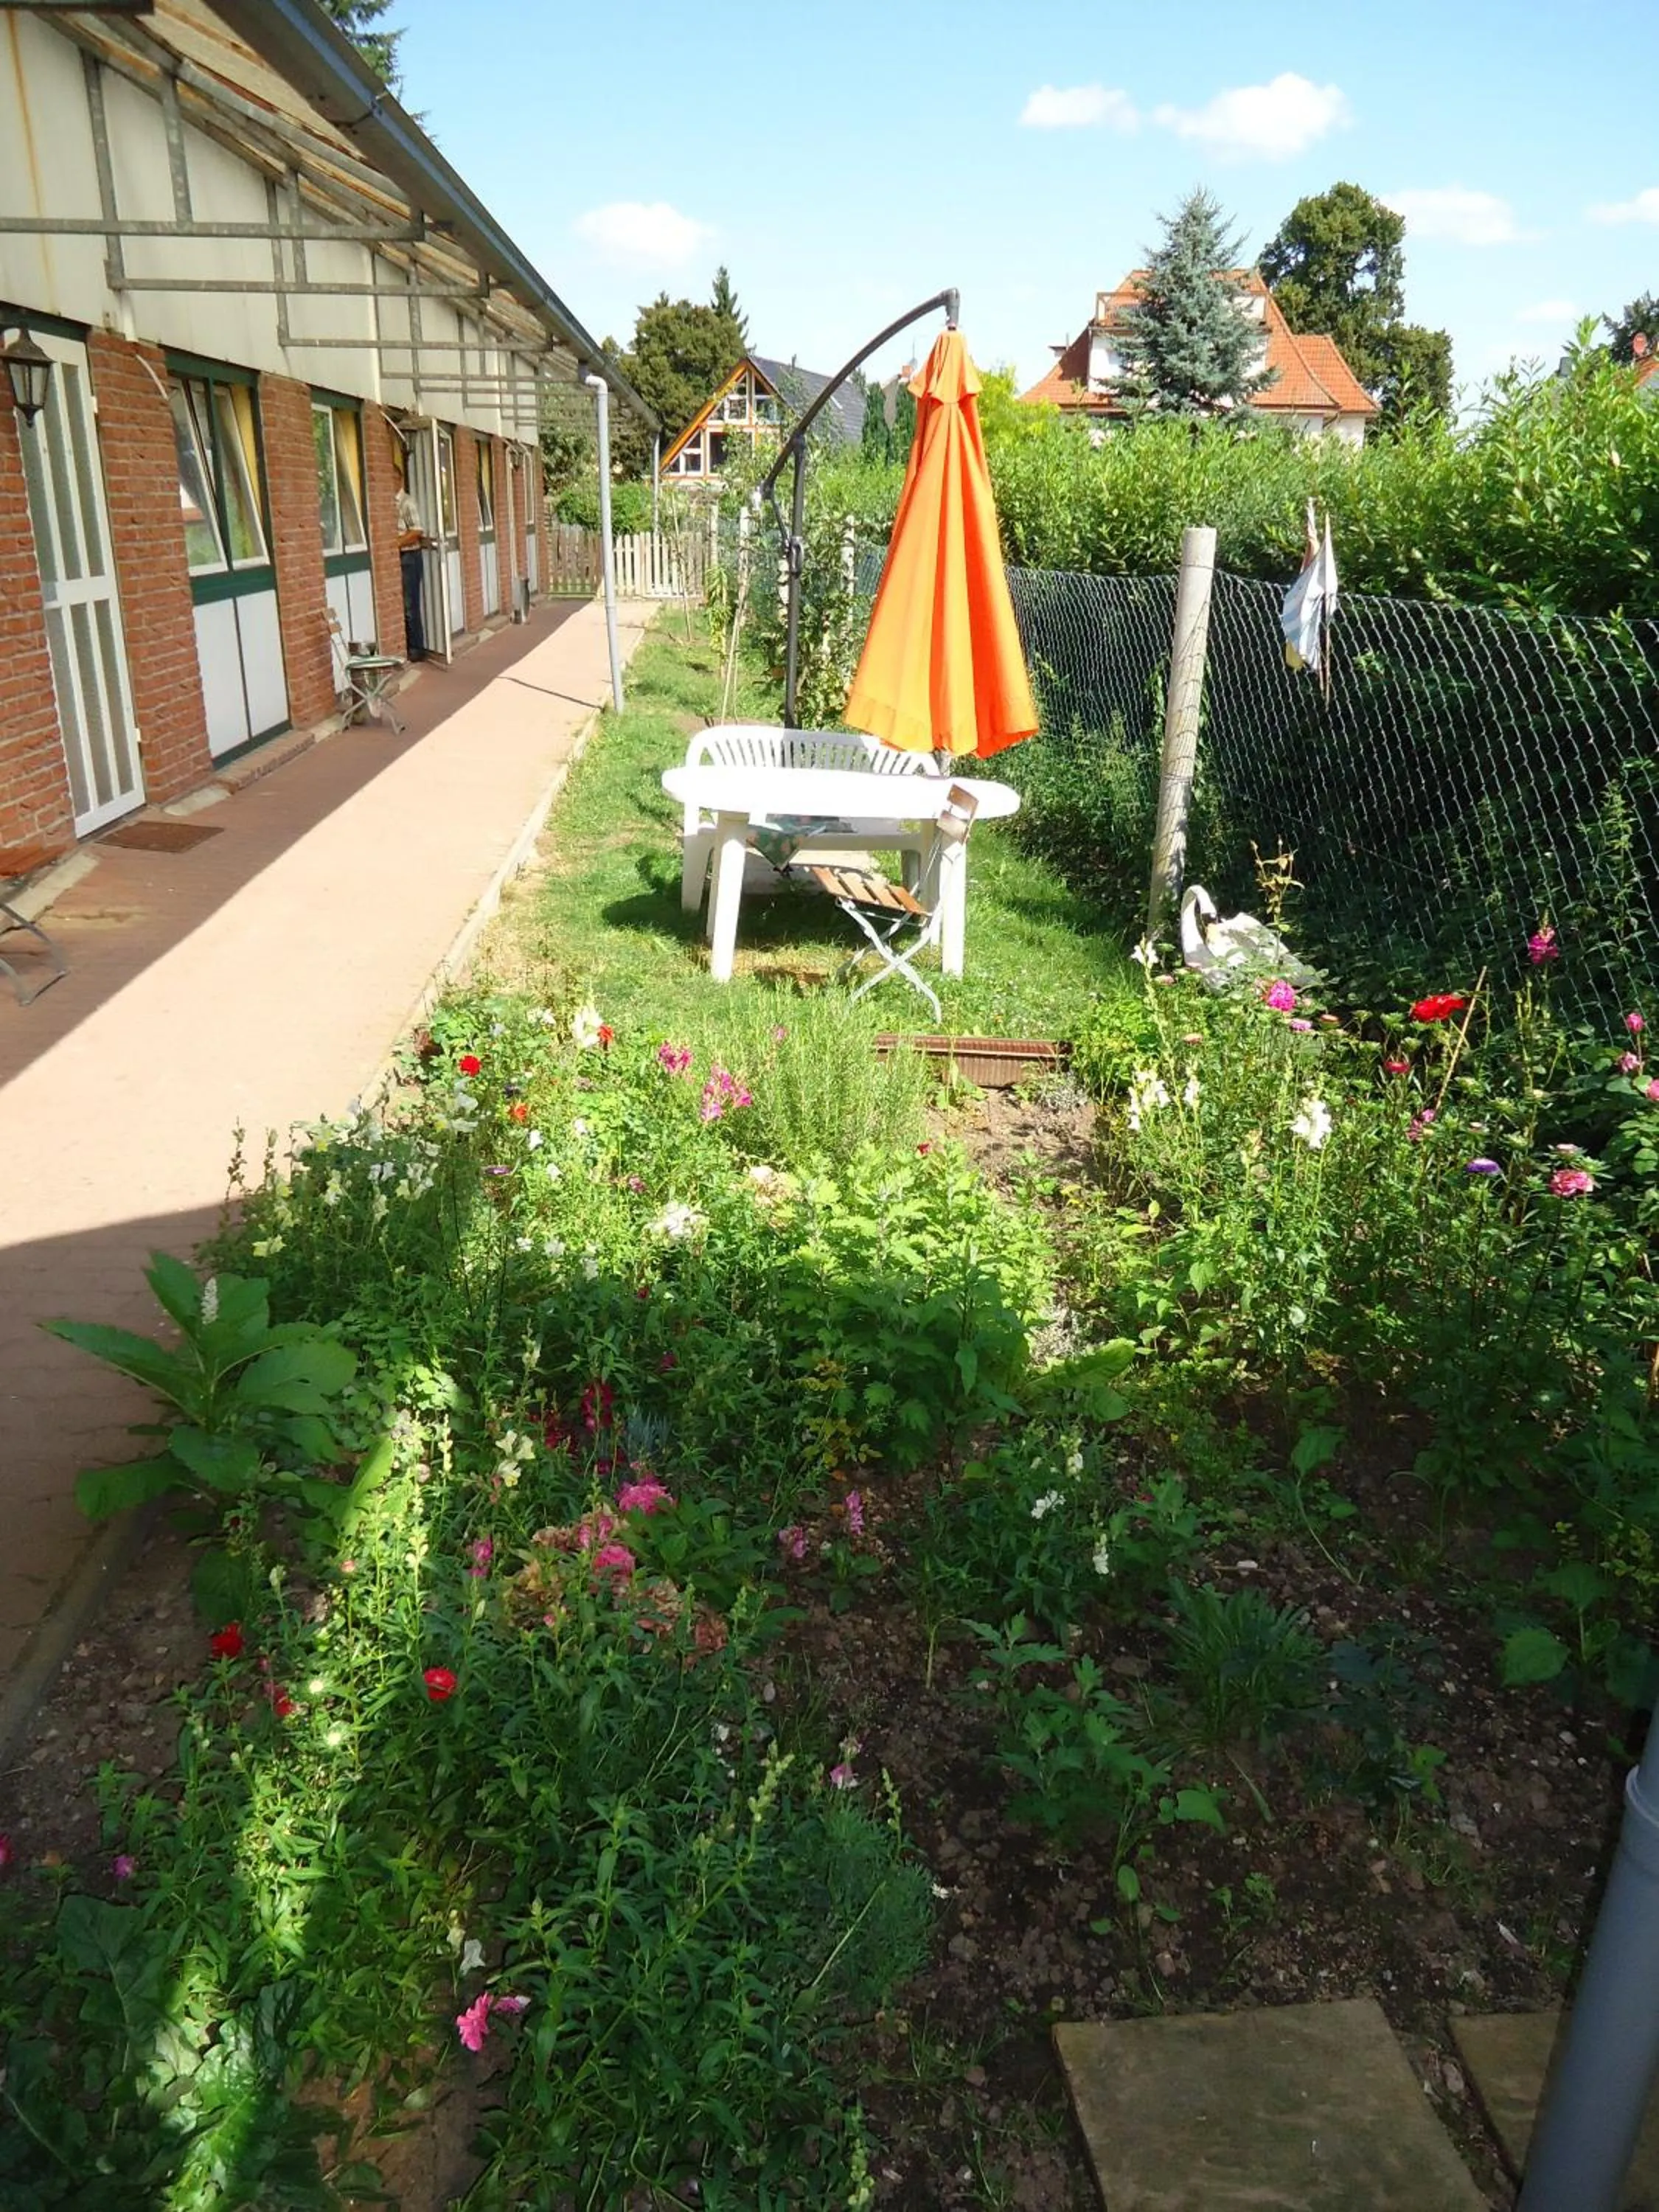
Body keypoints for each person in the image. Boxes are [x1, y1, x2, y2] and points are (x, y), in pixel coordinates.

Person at [395, 472, 428, 660]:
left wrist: (396, 543)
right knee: (402, 604)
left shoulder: (407, 502)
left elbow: (417, 530)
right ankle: (408, 647)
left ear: (399, 479)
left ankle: (417, 650)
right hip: (400, 556)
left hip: (410, 557)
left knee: (410, 604)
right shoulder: (388, 502)